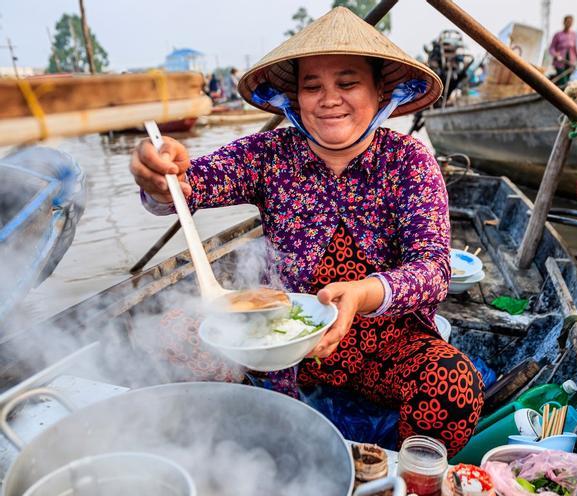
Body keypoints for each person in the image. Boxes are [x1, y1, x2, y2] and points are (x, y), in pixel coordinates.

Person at [130, 7, 484, 455]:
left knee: (453, 384)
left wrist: (361, 294)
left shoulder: (410, 160)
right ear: (295, 98)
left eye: (347, 82)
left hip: (385, 346)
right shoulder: (269, 152)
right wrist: (159, 176)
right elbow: (188, 185)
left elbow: (434, 269)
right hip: (282, 339)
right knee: (171, 333)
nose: (328, 98)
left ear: (379, 91)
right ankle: (225, 452)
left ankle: (406, 489)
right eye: (312, 86)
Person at [548, 15, 577, 86]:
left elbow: (575, 48)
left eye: (571, 22)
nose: (569, 24)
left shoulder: (574, 34)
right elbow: (551, 48)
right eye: (567, 22)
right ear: (564, 22)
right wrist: (556, 55)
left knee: (568, 79)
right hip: (560, 62)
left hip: (570, 63)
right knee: (563, 81)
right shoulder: (558, 35)